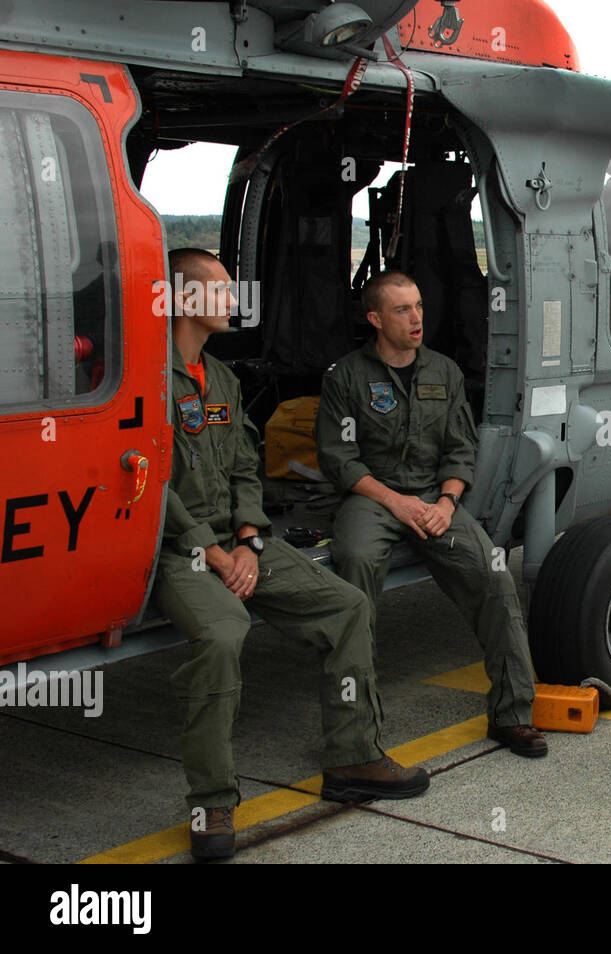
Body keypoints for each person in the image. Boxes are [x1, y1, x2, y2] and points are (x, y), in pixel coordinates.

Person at [155, 249, 429, 861]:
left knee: (348, 606)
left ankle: (354, 756)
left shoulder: (220, 379)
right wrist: (214, 553)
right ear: (183, 299)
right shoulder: (147, 381)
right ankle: (211, 802)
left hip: (241, 543)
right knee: (224, 634)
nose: (233, 300)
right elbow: (152, 485)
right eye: (221, 290)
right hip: (176, 552)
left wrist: (251, 538)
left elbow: (247, 468)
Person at [316, 271, 546, 757]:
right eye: (402, 310)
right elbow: (340, 459)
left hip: (434, 497)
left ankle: (513, 715)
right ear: (376, 319)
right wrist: (395, 502)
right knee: (354, 569)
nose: (416, 317)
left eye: (419, 306)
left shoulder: (445, 371)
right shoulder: (346, 377)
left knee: (494, 575)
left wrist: (446, 502)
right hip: (373, 497)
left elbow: (461, 449)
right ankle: (355, 737)